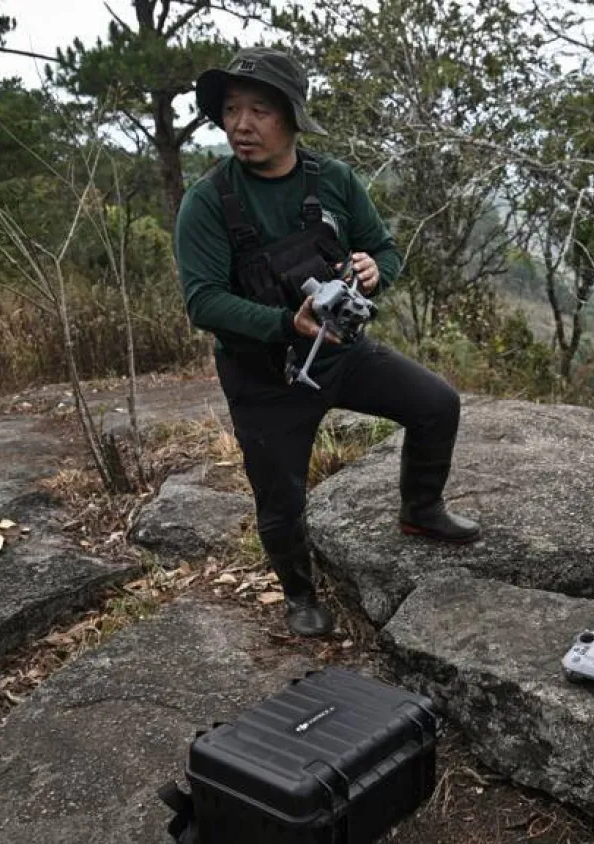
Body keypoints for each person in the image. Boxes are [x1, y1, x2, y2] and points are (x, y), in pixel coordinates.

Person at [174, 47, 481, 638]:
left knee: (437, 404)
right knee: (281, 494)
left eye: (259, 109)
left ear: (290, 116)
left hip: (340, 352)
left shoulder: (334, 179)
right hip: (263, 375)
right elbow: (203, 302)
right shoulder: (208, 201)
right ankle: (298, 593)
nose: (241, 124)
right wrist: (284, 323)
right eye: (232, 109)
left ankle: (421, 511)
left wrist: (374, 270)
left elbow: (384, 248)